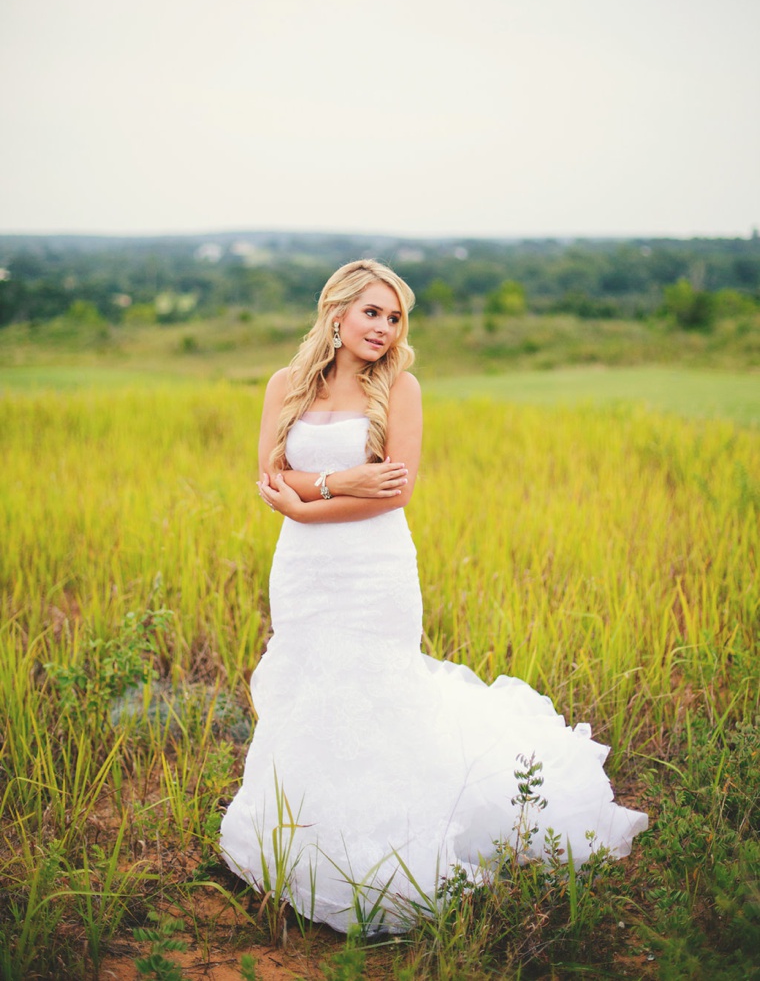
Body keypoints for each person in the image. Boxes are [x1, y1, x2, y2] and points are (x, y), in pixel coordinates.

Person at [219, 259, 647, 933]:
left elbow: (393, 492)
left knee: (376, 690)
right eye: (373, 313)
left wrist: (313, 497)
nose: (384, 329)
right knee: (309, 685)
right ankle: (301, 839)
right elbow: (271, 481)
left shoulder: (402, 388)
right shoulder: (284, 385)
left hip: (374, 568)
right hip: (303, 570)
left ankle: (386, 845)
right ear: (336, 313)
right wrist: (339, 484)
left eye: (394, 318)